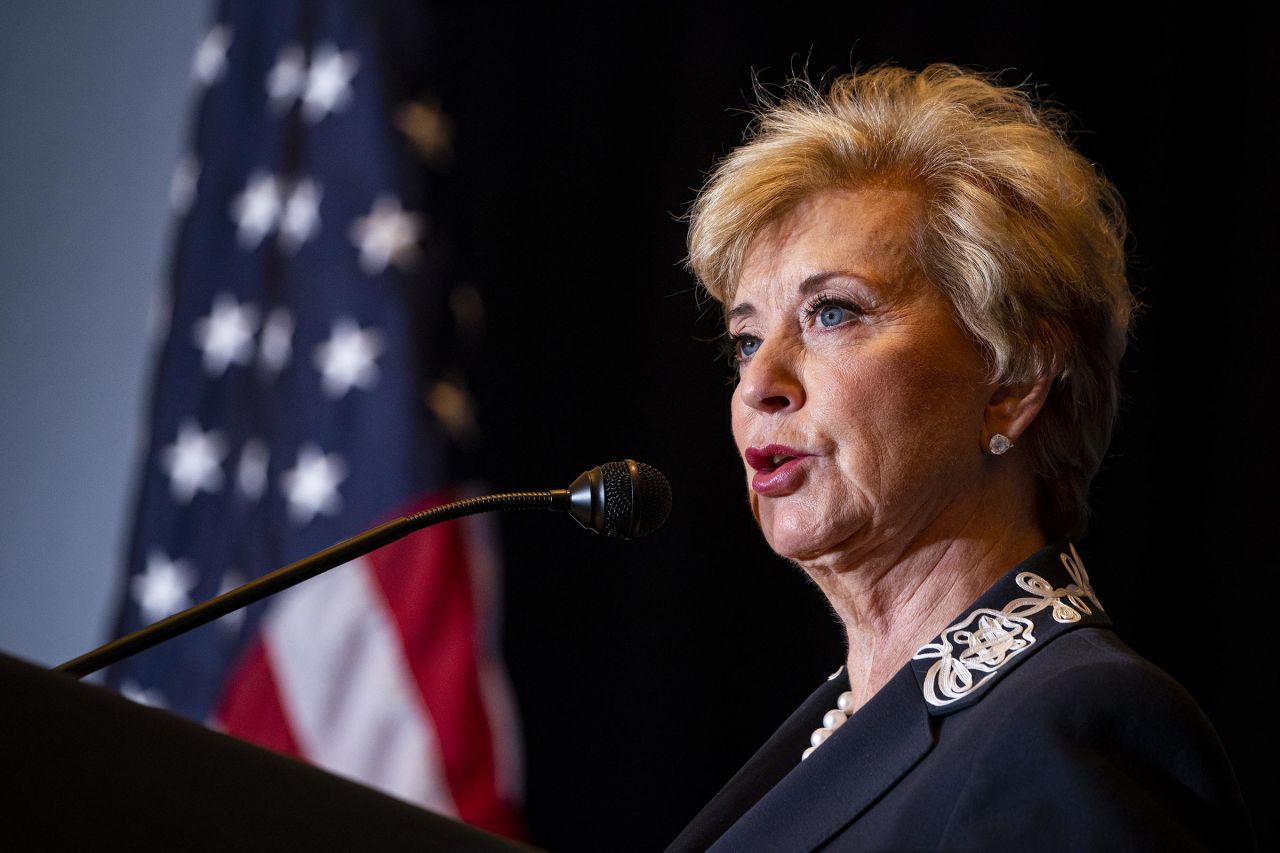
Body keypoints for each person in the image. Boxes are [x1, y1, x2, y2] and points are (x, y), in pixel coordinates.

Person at [667, 64, 1253, 851]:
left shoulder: (1072, 727)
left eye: (832, 312)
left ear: (1012, 381)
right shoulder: (848, 723)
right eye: (746, 338)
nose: (759, 384)